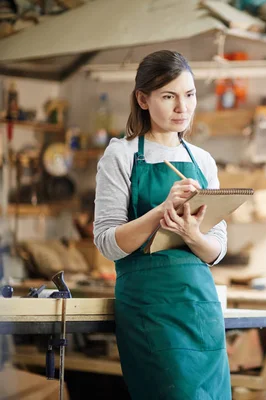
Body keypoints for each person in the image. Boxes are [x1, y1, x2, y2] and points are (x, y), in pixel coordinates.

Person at [94, 50, 231, 399]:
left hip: (200, 306)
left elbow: (216, 250)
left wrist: (193, 235)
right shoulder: (121, 155)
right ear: (143, 99)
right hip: (149, 309)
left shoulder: (202, 160)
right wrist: (161, 211)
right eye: (169, 96)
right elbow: (108, 242)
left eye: (190, 95)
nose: (182, 107)